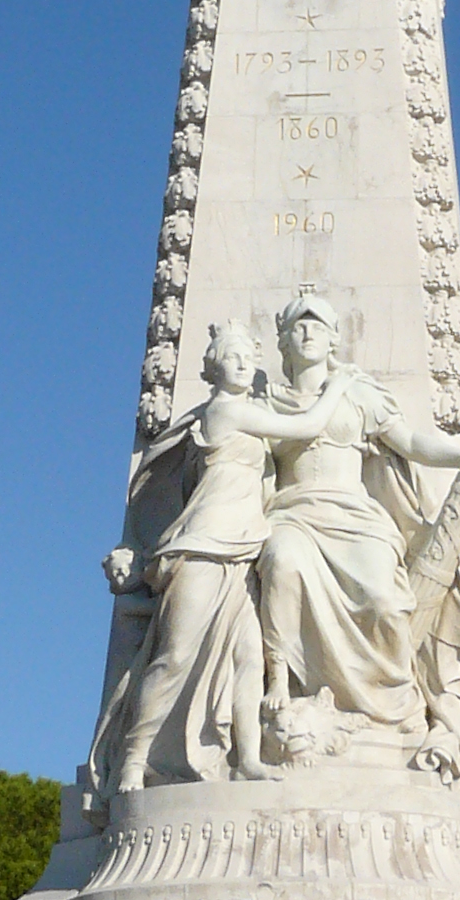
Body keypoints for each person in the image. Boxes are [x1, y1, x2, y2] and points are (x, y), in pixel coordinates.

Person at [89, 323, 349, 794]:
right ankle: (133, 759)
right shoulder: (225, 411)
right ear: (212, 370)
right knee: (173, 657)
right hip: (203, 548)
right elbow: (307, 426)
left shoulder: (247, 415)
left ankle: (247, 758)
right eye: (231, 357)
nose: (243, 364)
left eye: (248, 357)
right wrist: (338, 386)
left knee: (248, 659)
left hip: (245, 552)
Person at [255, 293, 460, 741]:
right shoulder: (268, 404)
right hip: (294, 514)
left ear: (334, 339)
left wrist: (458, 457)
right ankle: (279, 678)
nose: (308, 333)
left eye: (318, 326)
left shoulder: (359, 394)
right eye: (298, 326)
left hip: (355, 516)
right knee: (281, 561)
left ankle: (395, 705)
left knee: (385, 603)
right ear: (283, 340)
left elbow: (409, 442)